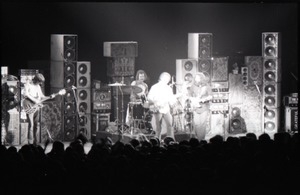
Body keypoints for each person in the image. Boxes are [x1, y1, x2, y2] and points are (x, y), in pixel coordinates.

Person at [22, 73, 54, 145]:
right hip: (29, 105)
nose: (41, 83)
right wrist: (35, 101)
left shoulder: (38, 86)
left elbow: (42, 96)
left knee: (36, 125)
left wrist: (49, 97)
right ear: (36, 80)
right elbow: (26, 94)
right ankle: (30, 143)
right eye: (40, 82)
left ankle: (35, 143)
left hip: (36, 107)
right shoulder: (28, 84)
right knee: (31, 125)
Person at [147, 72, 177, 140]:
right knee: (158, 128)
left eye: (168, 79)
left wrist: (173, 102)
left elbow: (170, 98)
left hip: (166, 109)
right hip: (158, 109)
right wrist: (156, 102)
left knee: (170, 125)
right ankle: (157, 141)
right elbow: (149, 97)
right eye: (167, 79)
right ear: (162, 78)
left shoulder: (168, 88)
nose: (168, 81)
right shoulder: (154, 87)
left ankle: (171, 140)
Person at [186, 72, 212, 140]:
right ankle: (198, 138)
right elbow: (189, 95)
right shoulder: (193, 86)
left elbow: (211, 96)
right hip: (196, 107)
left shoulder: (206, 86)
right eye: (196, 78)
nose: (197, 79)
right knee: (197, 123)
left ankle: (201, 139)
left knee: (202, 124)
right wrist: (193, 100)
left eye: (198, 78)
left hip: (204, 107)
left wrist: (203, 100)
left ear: (201, 78)